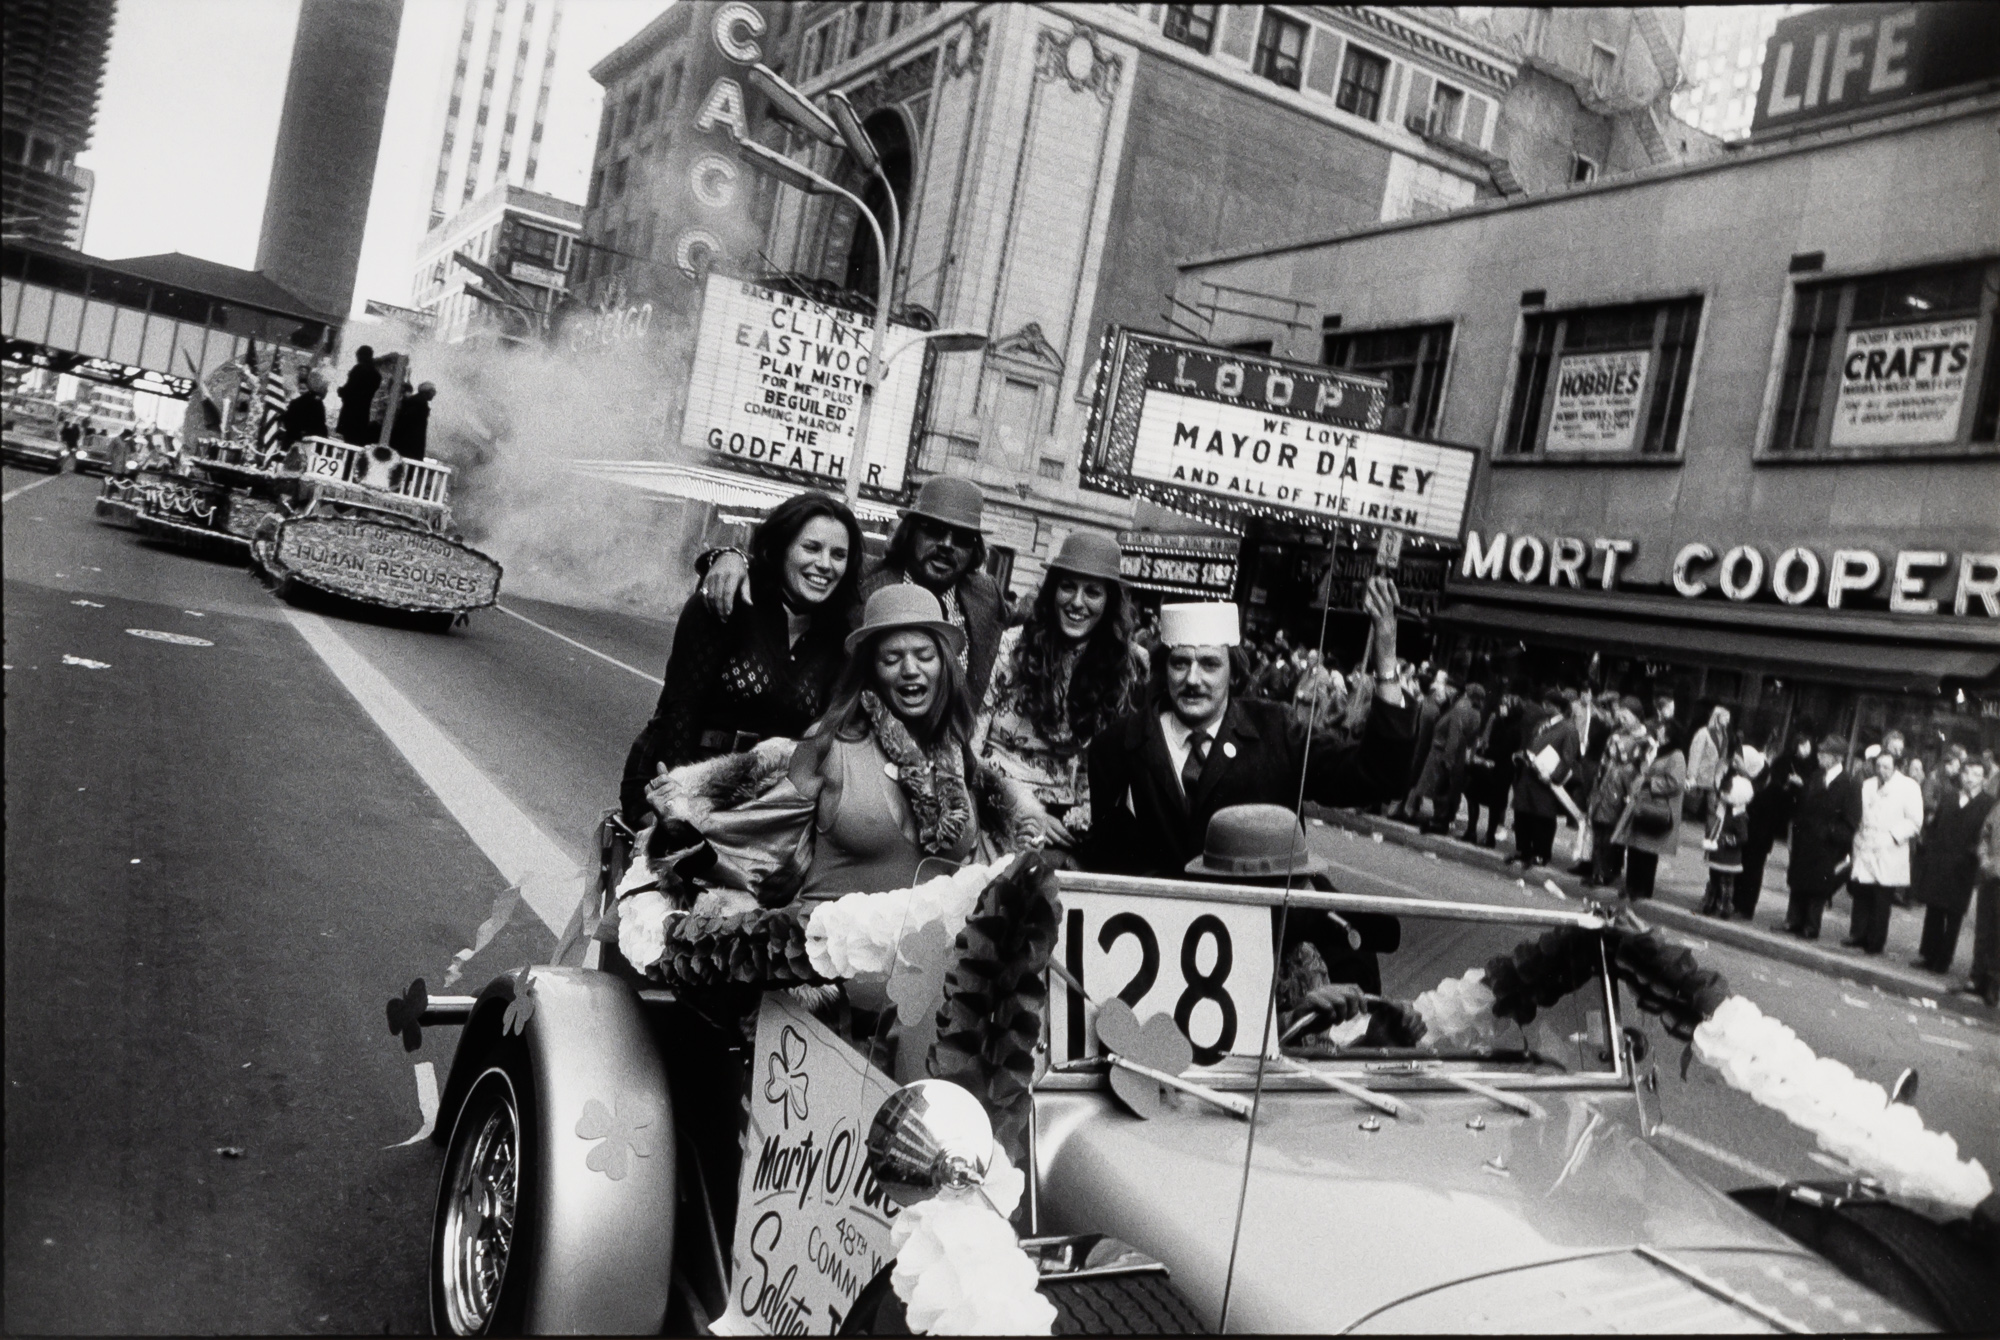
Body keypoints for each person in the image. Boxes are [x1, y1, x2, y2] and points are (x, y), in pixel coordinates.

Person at [1081, 582, 1414, 878]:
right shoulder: (1117, 746)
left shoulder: (1278, 732)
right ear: (1164, 667)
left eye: (1210, 664)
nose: (1193, 680)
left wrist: (1386, 660)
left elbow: (1379, 775)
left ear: (1233, 670)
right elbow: (1105, 862)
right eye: (1180, 663)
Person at [623, 492, 864, 827]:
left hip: (762, 802)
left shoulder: (839, 640)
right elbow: (681, 709)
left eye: (838, 554)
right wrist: (674, 804)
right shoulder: (727, 602)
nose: (824, 564)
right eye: (811, 548)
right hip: (679, 776)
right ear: (781, 548)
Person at [701, 476, 1009, 703]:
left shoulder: (985, 596)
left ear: (974, 550)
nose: (946, 545)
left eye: (962, 538)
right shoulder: (861, 576)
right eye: (934, 530)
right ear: (910, 532)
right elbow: (790, 567)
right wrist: (732, 557)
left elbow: (1039, 611)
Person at [971, 531, 1147, 865]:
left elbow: (1114, 766)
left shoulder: (1127, 666)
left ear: (1109, 602)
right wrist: (1024, 811)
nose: (1077, 602)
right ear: (1053, 591)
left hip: (1076, 827)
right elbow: (971, 748)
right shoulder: (1008, 646)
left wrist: (1081, 818)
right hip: (1001, 810)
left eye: (1092, 592)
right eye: (1068, 587)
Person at [1183, 804, 1423, 1047]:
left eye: (1305, 880)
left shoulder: (1305, 955)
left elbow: (1314, 1056)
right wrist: (1295, 1019)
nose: (1309, 893)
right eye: (1293, 882)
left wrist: (1371, 1042)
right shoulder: (1205, 960)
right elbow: (1211, 1048)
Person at [1911, 760, 1993, 975]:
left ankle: (1943, 960)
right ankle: (1928, 955)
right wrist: (1930, 849)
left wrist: (1972, 855)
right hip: (1939, 861)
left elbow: (1987, 836)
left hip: (1963, 867)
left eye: (1976, 774)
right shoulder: (1949, 796)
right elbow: (1935, 826)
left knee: (1953, 915)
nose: (1969, 778)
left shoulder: (1988, 804)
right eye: (1966, 772)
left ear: (1983, 779)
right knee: (1934, 910)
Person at [1846, 744, 1924, 955]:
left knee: (1881, 898)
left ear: (1896, 767)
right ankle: (1858, 935)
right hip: (1867, 843)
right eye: (1879, 766)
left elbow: (1915, 821)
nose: (1882, 770)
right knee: (1862, 892)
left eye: (1887, 767)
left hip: (1889, 848)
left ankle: (1875, 942)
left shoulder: (1909, 787)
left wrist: (1892, 837)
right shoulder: (1868, 784)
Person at [1785, 736, 1863, 939]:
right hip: (1806, 839)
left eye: (1825, 754)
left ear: (1837, 758)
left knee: (1819, 885)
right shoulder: (1817, 775)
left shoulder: (1849, 784)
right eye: (1820, 753)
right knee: (1799, 879)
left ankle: (1811, 925)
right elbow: (1805, 804)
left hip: (1827, 845)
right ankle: (1793, 920)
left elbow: (1851, 821)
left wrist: (1829, 833)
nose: (1820, 757)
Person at [1736, 734, 1812, 921]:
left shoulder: (1770, 784)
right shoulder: (1769, 779)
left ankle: (1745, 907)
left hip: (1760, 833)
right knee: (1747, 867)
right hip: (1757, 832)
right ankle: (1741, 904)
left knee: (1752, 868)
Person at [1611, 717, 1687, 900]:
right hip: (1645, 806)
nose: (1658, 731)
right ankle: (1631, 887)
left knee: (1646, 853)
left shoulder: (1676, 755)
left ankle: (1641, 890)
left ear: (1670, 734)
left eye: (1662, 729)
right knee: (1636, 850)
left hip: (1655, 809)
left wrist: (1649, 782)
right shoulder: (1660, 751)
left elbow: (1675, 783)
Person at [1507, 690, 1579, 869]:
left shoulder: (1569, 728)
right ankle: (1523, 849)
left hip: (1546, 779)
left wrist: (1554, 776)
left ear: (1558, 708)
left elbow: (1568, 758)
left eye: (1549, 705)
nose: (1545, 707)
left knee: (1543, 816)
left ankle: (1541, 853)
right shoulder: (1541, 724)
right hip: (1529, 773)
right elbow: (1531, 744)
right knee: (1522, 812)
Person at [1585, 696, 1648, 888]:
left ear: (1637, 717)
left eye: (1626, 716)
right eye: (1620, 716)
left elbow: (1643, 770)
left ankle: (1608, 872)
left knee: (1613, 833)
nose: (1622, 720)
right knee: (1599, 831)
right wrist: (1596, 787)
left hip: (1623, 791)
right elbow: (1603, 763)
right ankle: (1596, 871)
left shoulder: (1645, 740)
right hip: (1605, 788)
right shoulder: (1615, 735)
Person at [1462, 692, 1518, 848]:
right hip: (1492, 766)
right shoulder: (1498, 721)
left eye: (1505, 705)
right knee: (1473, 794)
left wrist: (1487, 753)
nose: (1502, 708)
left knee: (1494, 804)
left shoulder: (1513, 728)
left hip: (1500, 769)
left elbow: (1504, 749)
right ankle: (1472, 830)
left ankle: (1489, 836)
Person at [1397, 670, 1452, 822]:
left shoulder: (1424, 703)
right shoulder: (1432, 708)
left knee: (1412, 778)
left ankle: (1402, 809)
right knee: (1415, 779)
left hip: (1417, 747)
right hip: (1422, 749)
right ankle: (1407, 810)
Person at [1963, 798, 2000, 1006]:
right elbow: (1985, 835)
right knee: (1983, 929)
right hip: (1989, 877)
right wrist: (1984, 857)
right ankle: (1976, 976)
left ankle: (1993, 984)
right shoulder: (1998, 808)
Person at [1700, 775, 1753, 918]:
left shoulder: (1739, 816)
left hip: (1728, 853)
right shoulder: (1726, 809)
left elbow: (1743, 837)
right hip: (1721, 851)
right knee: (1716, 879)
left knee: (1725, 882)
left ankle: (1723, 906)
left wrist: (1727, 839)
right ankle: (1711, 903)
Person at [1685, 705, 1732, 822]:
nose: (1728, 720)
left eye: (1728, 717)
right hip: (1700, 775)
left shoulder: (1725, 736)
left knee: (1713, 809)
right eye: (1725, 717)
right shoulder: (1704, 733)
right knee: (1690, 807)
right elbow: (1695, 754)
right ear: (1717, 717)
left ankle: (1709, 835)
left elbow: (1723, 758)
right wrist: (1691, 776)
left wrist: (1721, 775)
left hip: (1714, 778)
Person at [335, 345, 380, 445]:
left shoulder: (358, 369)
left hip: (350, 411)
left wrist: (340, 391)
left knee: (347, 439)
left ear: (360, 356)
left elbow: (349, 389)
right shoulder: (376, 374)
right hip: (363, 412)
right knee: (356, 440)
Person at [278, 371, 328, 447]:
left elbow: (289, 422)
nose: (302, 391)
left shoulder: (296, 402)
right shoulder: (317, 403)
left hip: (300, 440)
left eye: (304, 389)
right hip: (313, 442)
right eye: (300, 389)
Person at [390, 381, 434, 459]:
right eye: (432, 392)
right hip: (410, 443)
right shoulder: (420, 405)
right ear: (426, 392)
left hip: (402, 441)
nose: (434, 394)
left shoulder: (414, 401)